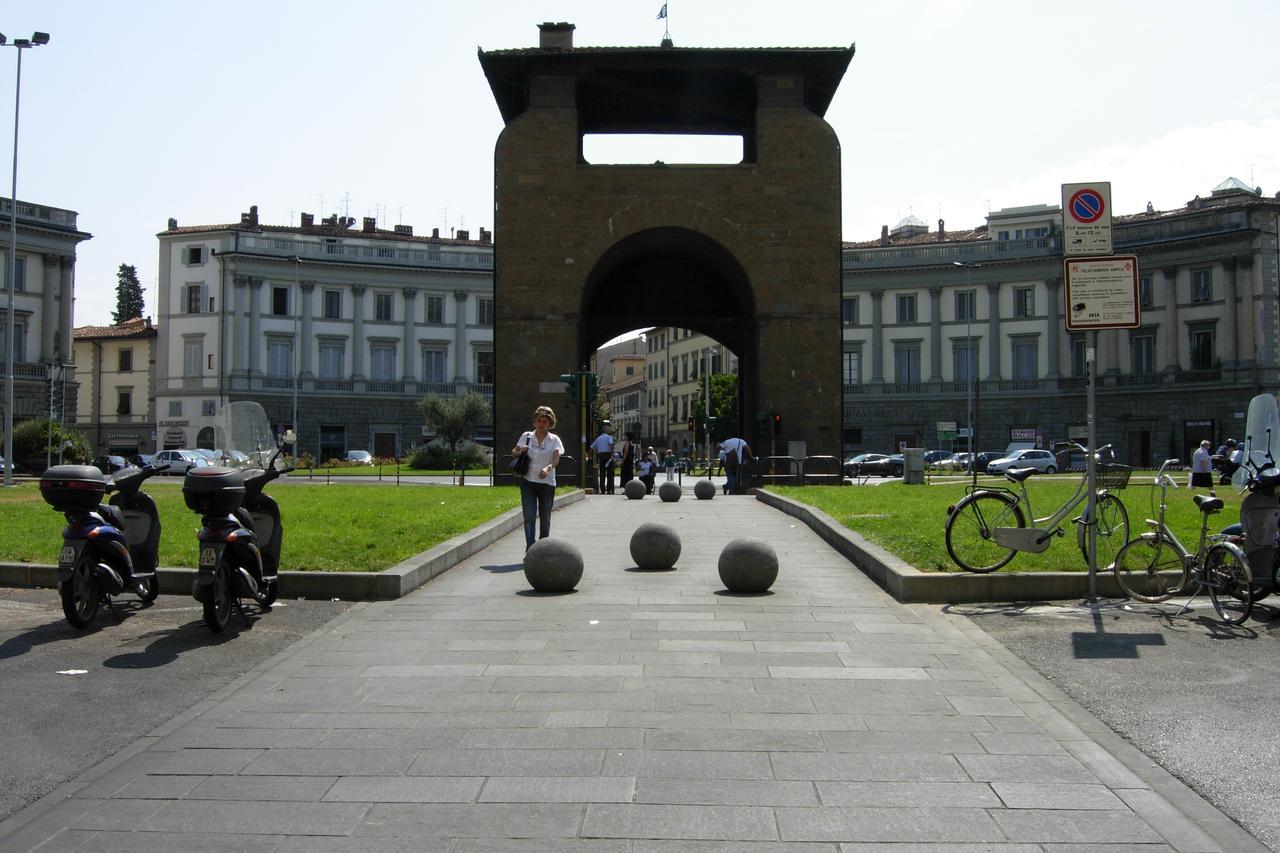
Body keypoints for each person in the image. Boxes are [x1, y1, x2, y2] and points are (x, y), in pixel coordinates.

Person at [512, 405, 564, 550]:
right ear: (535, 422)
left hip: (546, 483)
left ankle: (542, 549)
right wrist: (520, 450)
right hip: (528, 481)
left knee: (545, 518)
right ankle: (530, 548)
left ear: (549, 423)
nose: (542, 424)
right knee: (529, 517)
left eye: (545, 422)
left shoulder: (554, 440)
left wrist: (548, 468)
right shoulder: (527, 436)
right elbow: (513, 452)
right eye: (539, 421)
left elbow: (556, 460)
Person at [589, 424, 615, 495]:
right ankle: (609, 489)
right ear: (606, 430)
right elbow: (611, 444)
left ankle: (602, 489)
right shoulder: (609, 437)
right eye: (608, 429)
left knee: (602, 473)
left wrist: (590, 455)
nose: (609, 430)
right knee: (609, 473)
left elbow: (591, 448)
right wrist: (612, 454)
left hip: (601, 456)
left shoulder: (598, 438)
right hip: (608, 455)